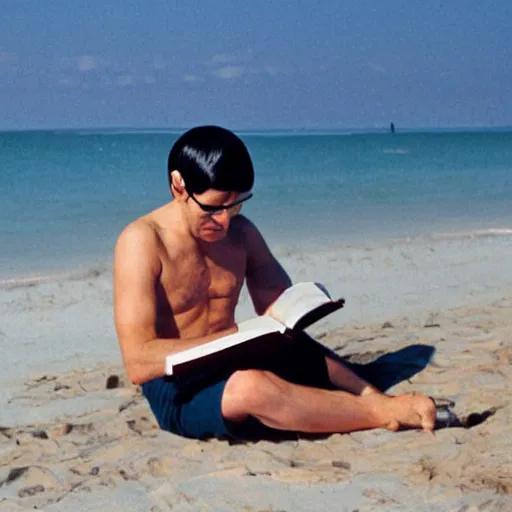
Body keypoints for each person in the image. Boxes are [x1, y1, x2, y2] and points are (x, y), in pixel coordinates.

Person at [113, 125, 436, 441]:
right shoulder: (143, 242)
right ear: (178, 185)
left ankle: (372, 395)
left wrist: (299, 309)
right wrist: (233, 338)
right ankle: (380, 413)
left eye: (236, 204)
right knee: (252, 388)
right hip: (180, 387)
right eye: (212, 208)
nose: (225, 220)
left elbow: (282, 319)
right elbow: (139, 363)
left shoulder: (242, 232)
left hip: (235, 358)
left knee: (299, 350)